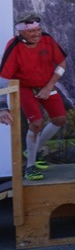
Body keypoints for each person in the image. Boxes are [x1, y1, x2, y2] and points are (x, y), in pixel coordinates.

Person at [0, 12, 67, 181]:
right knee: (36, 123)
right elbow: (2, 78)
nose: (37, 34)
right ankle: (30, 166)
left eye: (38, 29)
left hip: (46, 85)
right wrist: (2, 107)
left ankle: (34, 150)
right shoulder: (13, 46)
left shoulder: (47, 39)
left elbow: (61, 63)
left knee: (59, 119)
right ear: (20, 32)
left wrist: (49, 86)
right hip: (24, 88)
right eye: (32, 31)